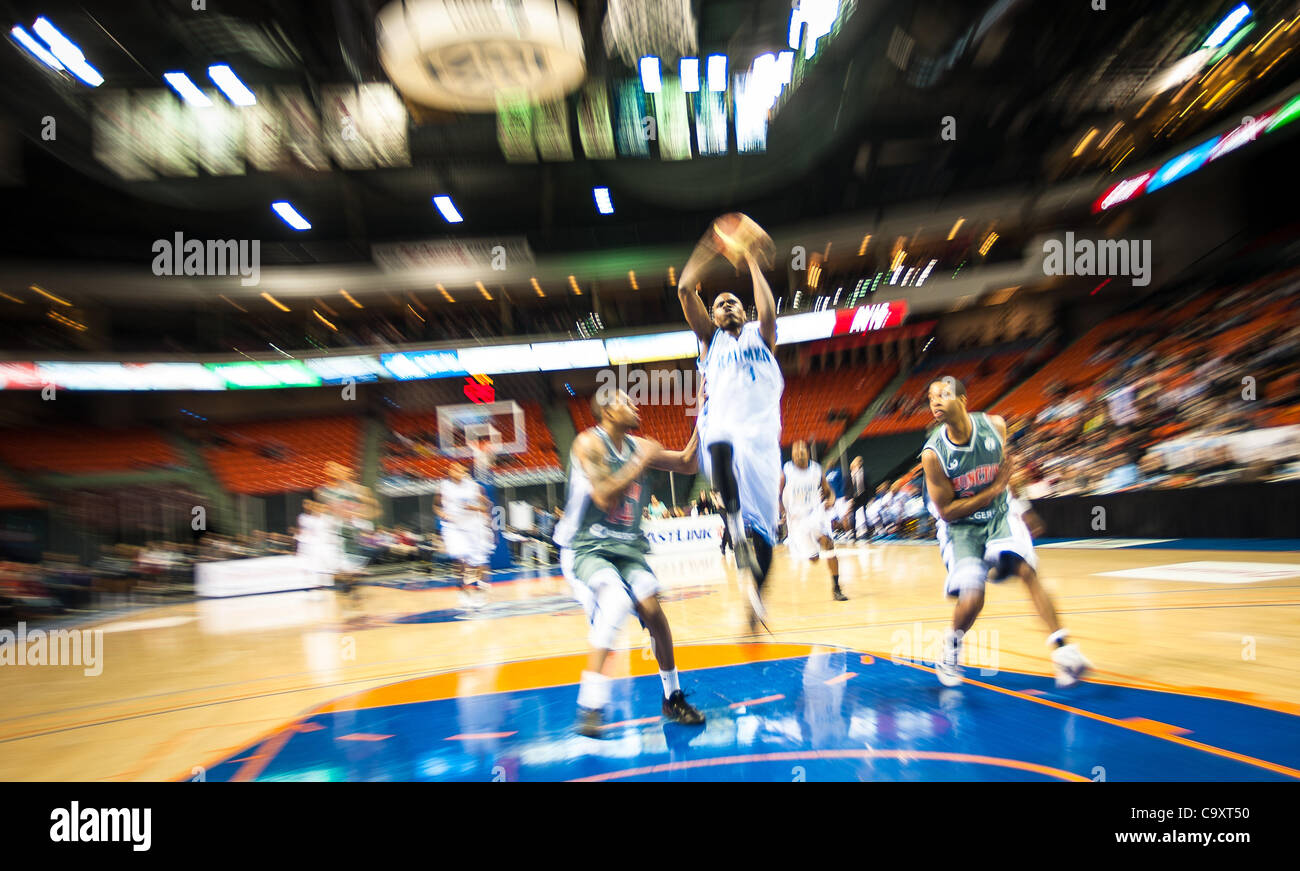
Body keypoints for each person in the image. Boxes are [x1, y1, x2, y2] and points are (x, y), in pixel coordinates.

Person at [921, 376, 1091, 688]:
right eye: (930, 398)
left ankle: (1064, 652)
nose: (935, 401)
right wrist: (995, 489)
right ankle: (951, 648)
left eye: (942, 394)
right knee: (973, 599)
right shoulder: (933, 454)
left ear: (963, 399)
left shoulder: (995, 426)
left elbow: (1008, 470)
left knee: (1027, 570)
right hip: (961, 527)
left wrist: (1023, 507)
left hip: (999, 513)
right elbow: (946, 511)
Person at [554, 390, 706, 737]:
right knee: (617, 600)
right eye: (626, 401)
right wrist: (641, 460)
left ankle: (673, 698)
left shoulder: (636, 446)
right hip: (585, 545)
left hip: (626, 547)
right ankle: (590, 705)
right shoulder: (588, 444)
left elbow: (687, 463)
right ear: (607, 411)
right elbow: (604, 496)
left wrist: (704, 413)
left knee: (653, 610)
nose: (635, 406)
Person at [678, 214, 783, 632]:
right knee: (718, 436)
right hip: (726, 431)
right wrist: (712, 244)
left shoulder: (763, 336)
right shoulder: (710, 340)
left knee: (768, 542)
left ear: (744, 311)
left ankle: (753, 601)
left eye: (732, 301)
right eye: (719, 303)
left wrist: (753, 259)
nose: (725, 305)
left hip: (763, 443)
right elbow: (685, 289)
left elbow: (768, 309)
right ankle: (734, 525)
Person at [781, 440, 848, 602]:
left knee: (829, 543)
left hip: (815, 513)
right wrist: (782, 513)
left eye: (802, 449)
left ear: (808, 452)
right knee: (814, 559)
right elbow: (777, 495)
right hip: (797, 519)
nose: (799, 452)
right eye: (796, 450)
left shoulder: (816, 470)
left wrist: (831, 499)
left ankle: (836, 588)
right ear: (792, 455)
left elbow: (828, 491)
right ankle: (813, 547)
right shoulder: (787, 470)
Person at [315, 461, 379, 612]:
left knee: (350, 569)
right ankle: (348, 594)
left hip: (351, 532)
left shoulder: (357, 490)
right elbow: (328, 508)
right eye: (328, 468)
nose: (329, 470)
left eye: (334, 468)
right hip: (336, 533)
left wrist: (359, 513)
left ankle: (352, 592)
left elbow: (373, 508)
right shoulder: (324, 490)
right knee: (339, 570)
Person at [439, 461, 494, 608]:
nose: (455, 469)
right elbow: (436, 505)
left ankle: (481, 590)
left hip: (475, 526)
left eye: (458, 467)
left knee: (480, 561)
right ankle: (462, 589)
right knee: (459, 556)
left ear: (464, 471)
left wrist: (474, 508)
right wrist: (442, 514)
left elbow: (487, 505)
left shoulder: (474, 487)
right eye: (452, 467)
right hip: (455, 526)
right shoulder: (445, 486)